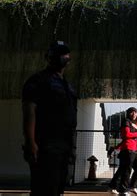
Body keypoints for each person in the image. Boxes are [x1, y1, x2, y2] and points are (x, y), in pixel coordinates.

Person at [22, 41, 77, 196]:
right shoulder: (38, 81)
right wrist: (30, 142)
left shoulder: (68, 86)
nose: (63, 57)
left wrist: (71, 148)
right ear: (49, 57)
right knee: (44, 189)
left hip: (64, 145)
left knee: (58, 188)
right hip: (45, 144)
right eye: (59, 53)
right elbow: (29, 111)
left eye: (65, 53)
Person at [114, 107, 137, 195]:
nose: (134, 114)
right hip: (128, 149)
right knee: (127, 170)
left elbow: (134, 139)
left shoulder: (132, 124)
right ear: (128, 113)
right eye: (132, 112)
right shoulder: (126, 122)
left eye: (135, 112)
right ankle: (123, 190)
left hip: (134, 149)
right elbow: (126, 135)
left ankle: (132, 187)